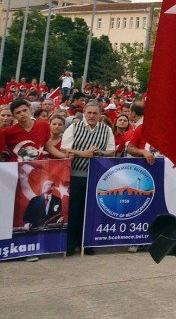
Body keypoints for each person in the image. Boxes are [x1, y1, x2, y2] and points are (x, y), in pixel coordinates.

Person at [61, 100, 115, 254]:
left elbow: (111, 151)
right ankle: (70, 244)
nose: (91, 115)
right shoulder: (74, 127)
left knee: (91, 211)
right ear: (84, 113)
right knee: (74, 210)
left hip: (96, 177)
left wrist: (100, 153)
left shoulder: (106, 130)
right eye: (89, 113)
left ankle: (87, 243)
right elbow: (64, 149)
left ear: (100, 115)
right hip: (75, 175)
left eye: (95, 113)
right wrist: (82, 153)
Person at [3, 98, 69, 162]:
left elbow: (48, 146)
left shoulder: (44, 125)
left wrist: (64, 156)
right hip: (17, 169)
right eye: (18, 112)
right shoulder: (7, 132)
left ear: (30, 110)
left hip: (38, 168)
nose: (22, 114)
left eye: (25, 110)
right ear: (14, 116)